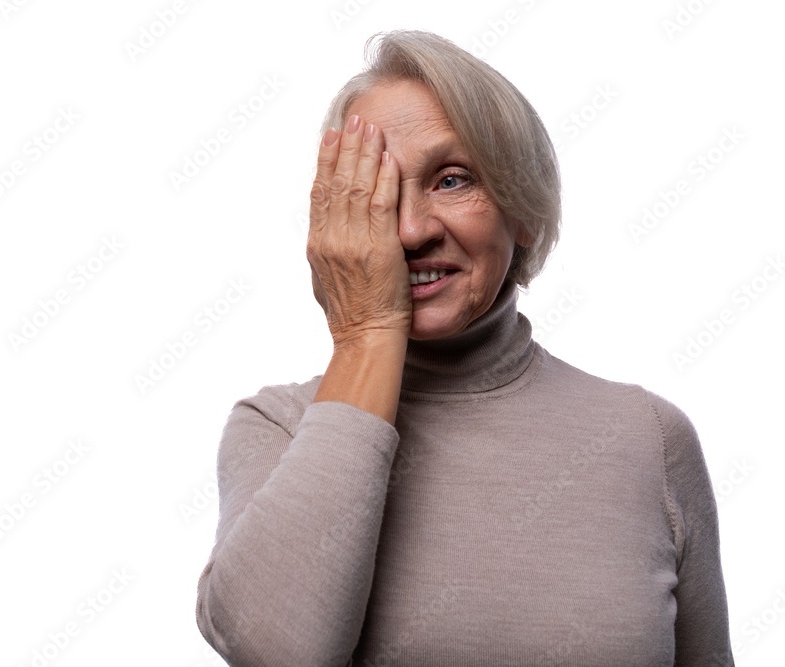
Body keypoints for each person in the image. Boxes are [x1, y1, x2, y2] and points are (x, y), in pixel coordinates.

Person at [195, 29, 733, 666]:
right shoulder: (278, 428)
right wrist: (366, 335)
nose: (411, 231)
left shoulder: (649, 438)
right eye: (377, 192)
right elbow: (280, 653)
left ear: (522, 208)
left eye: (452, 180)